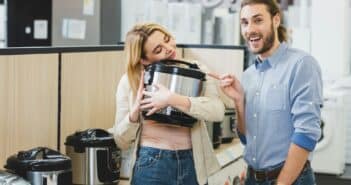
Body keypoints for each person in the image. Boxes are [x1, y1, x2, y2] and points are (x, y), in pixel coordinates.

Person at [210, 0, 323, 185]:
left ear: (276, 20)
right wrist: (239, 101)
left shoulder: (301, 64)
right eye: (245, 23)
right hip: (253, 178)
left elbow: (306, 134)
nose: (250, 29)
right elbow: (247, 137)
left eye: (258, 20)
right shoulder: (248, 75)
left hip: (290, 179)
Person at [109, 23, 225, 185]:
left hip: (192, 162)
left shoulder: (197, 70)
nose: (169, 48)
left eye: (167, 39)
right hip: (152, 163)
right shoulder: (129, 82)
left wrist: (172, 99)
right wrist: (134, 113)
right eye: (158, 50)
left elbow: (217, 111)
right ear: (144, 59)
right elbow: (121, 140)